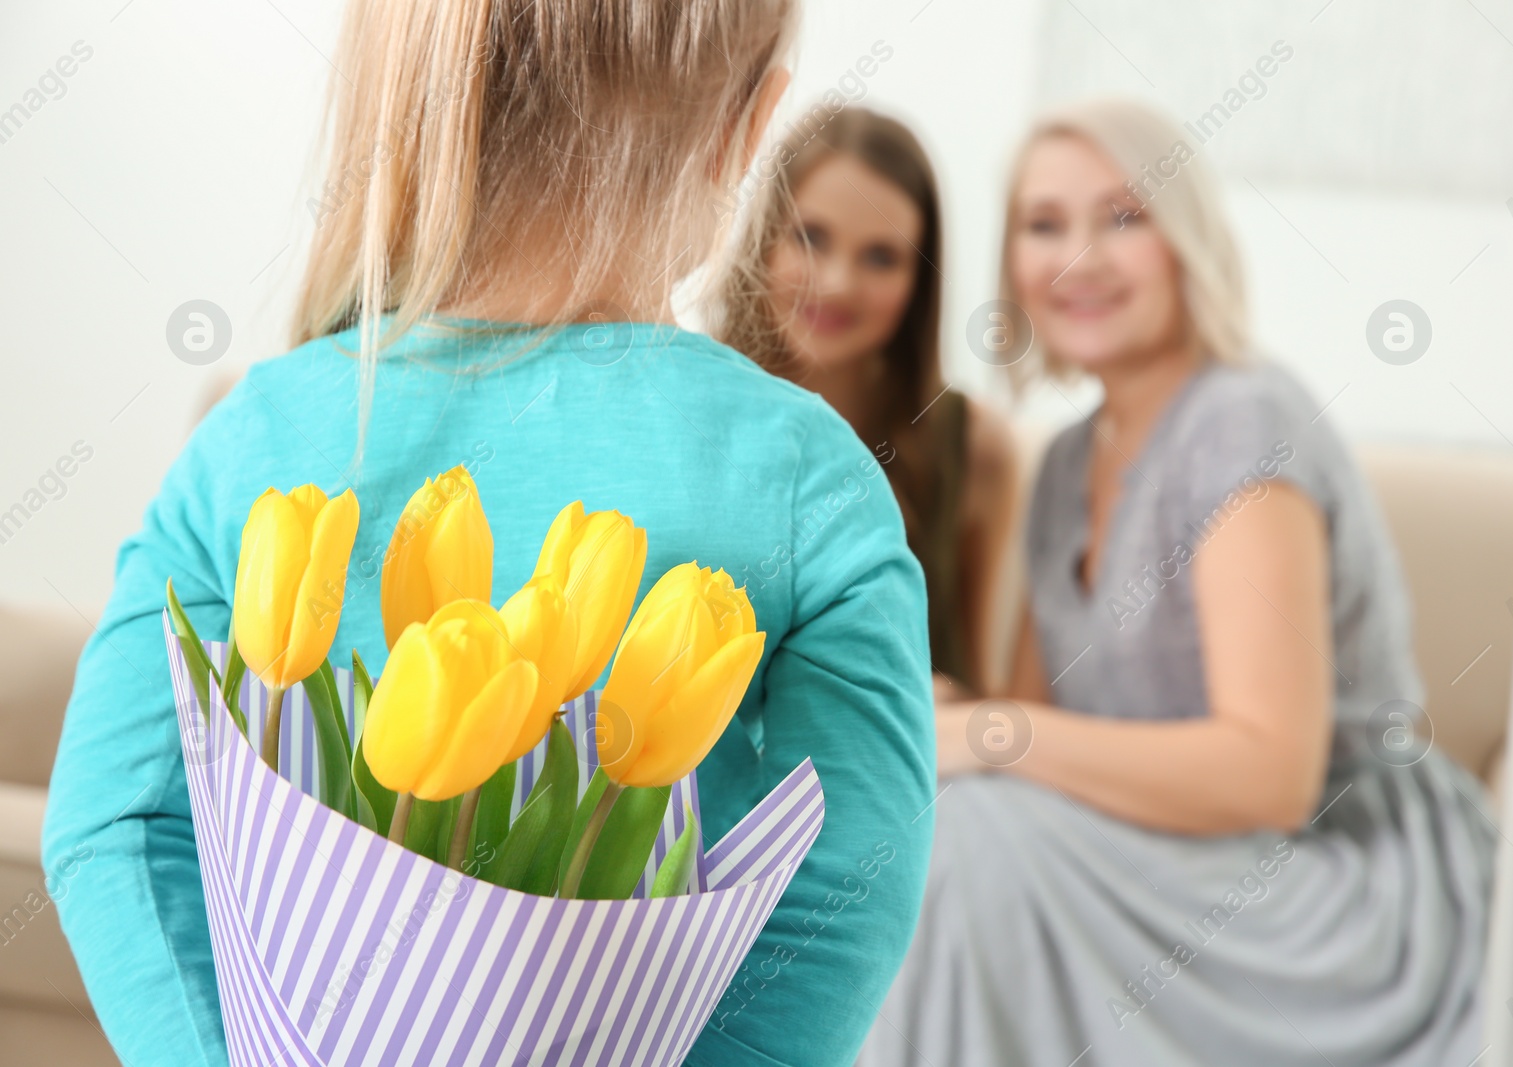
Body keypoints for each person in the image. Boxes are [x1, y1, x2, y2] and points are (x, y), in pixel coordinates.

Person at [42, 3, 936, 1065]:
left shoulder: (258, 437)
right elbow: (851, 879)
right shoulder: (808, 473)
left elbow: (116, 827)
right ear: (750, 128)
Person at [856, 98, 1496, 1066]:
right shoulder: (1067, 463)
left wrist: (993, 734)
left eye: (1124, 217)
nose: (1080, 257)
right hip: (1160, 856)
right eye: (1043, 225)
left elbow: (1270, 775)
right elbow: (1037, 739)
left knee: (964, 840)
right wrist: (958, 718)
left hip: (1331, 881)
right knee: (947, 823)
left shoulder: (1240, 422)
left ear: (1187, 240)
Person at [713, 106, 1016, 701]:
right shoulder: (692, 408)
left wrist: (943, 699)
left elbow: (973, 681)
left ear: (920, 278)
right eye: (810, 238)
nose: (836, 283)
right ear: (764, 238)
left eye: (882, 257)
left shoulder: (972, 445)